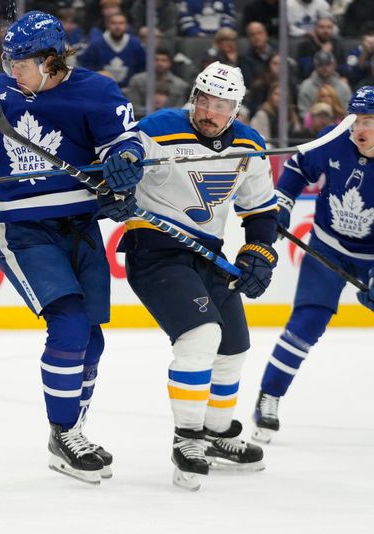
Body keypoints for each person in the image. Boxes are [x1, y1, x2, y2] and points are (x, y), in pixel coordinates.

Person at [0, 11, 144, 485]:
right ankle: (64, 432)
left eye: (21, 62)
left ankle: (73, 432)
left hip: (80, 227)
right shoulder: (0, 92)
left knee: (92, 338)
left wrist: (124, 164)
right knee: (69, 323)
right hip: (25, 230)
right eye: (7, 60)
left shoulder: (96, 91)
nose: (12, 70)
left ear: (51, 60)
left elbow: (124, 145)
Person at [111, 62, 278, 490]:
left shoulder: (250, 145)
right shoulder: (158, 129)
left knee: (234, 346)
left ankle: (217, 433)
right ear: (194, 97)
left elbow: (259, 209)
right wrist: (114, 188)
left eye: (220, 104)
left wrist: (260, 252)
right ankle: (188, 439)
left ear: (235, 109)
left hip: (208, 257)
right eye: (204, 100)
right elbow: (116, 166)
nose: (209, 111)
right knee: (201, 337)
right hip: (156, 252)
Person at [252, 87, 374, 444]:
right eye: (354, 120)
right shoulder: (333, 140)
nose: (358, 129)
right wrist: (283, 207)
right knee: (306, 324)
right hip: (328, 247)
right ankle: (269, 396)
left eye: (367, 121)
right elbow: (296, 168)